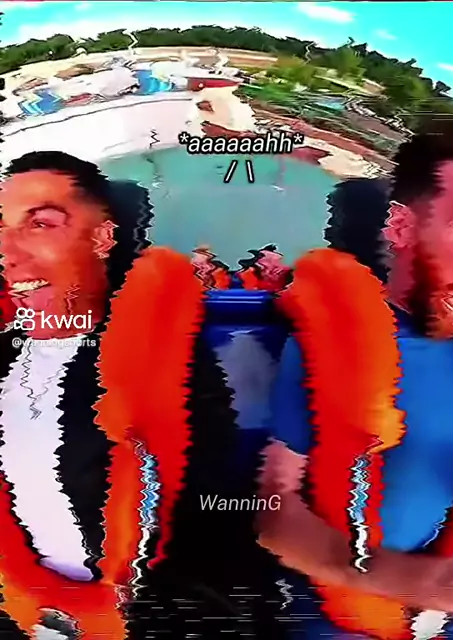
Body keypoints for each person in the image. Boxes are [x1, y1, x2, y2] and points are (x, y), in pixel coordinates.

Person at [0, 151, 282, 639]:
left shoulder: (161, 358)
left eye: (40, 224)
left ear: (102, 238)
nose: (6, 251)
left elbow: (209, 505)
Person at [257, 115, 453, 640]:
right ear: (401, 228)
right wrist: (423, 584)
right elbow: (272, 508)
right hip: (351, 616)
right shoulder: (331, 338)